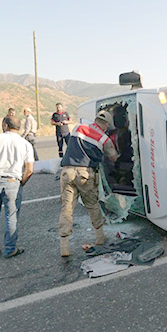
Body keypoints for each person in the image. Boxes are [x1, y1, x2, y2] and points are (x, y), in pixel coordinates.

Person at [58, 110, 119, 257]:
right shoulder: (104, 138)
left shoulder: (77, 128)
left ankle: (64, 246)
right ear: (106, 125)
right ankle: (99, 238)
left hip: (67, 172)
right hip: (85, 174)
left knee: (67, 208)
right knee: (92, 205)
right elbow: (114, 158)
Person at [0, 116, 34, 259]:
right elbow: (29, 170)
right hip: (12, 181)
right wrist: (20, 182)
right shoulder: (25, 144)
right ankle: (10, 249)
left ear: (5, 125)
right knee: (11, 216)